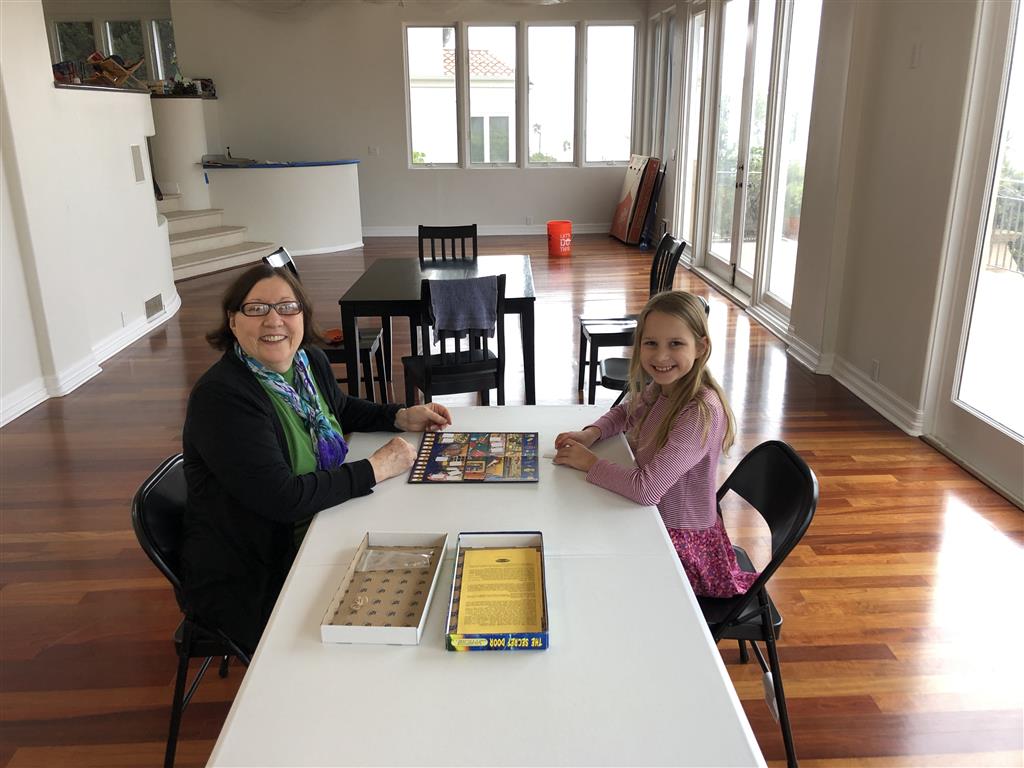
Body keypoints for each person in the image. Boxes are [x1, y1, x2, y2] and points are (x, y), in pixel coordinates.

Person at [181, 262, 451, 654]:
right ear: (233, 321)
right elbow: (283, 498)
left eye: (287, 307)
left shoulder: (307, 363)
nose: (274, 320)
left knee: (428, 562)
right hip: (257, 572)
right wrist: (375, 468)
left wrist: (399, 416)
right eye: (256, 309)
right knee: (389, 623)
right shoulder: (222, 399)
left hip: (321, 525)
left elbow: (340, 408)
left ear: (303, 316)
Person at [554, 291, 756, 598]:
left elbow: (646, 489)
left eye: (675, 344)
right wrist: (591, 434)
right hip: (651, 520)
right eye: (651, 343)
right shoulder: (666, 386)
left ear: (701, 347)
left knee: (583, 569)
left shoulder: (699, 412)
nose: (661, 357)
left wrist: (590, 462)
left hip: (679, 546)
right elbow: (625, 412)